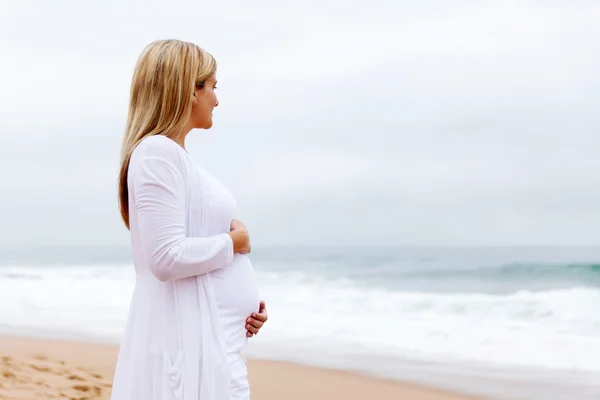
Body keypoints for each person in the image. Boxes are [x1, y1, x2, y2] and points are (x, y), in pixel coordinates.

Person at [110, 39, 268, 400]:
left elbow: (191, 252)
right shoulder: (156, 154)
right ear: (188, 91)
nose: (217, 99)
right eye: (212, 86)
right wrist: (234, 244)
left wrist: (241, 307)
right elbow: (166, 258)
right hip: (192, 357)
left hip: (213, 345)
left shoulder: (175, 158)